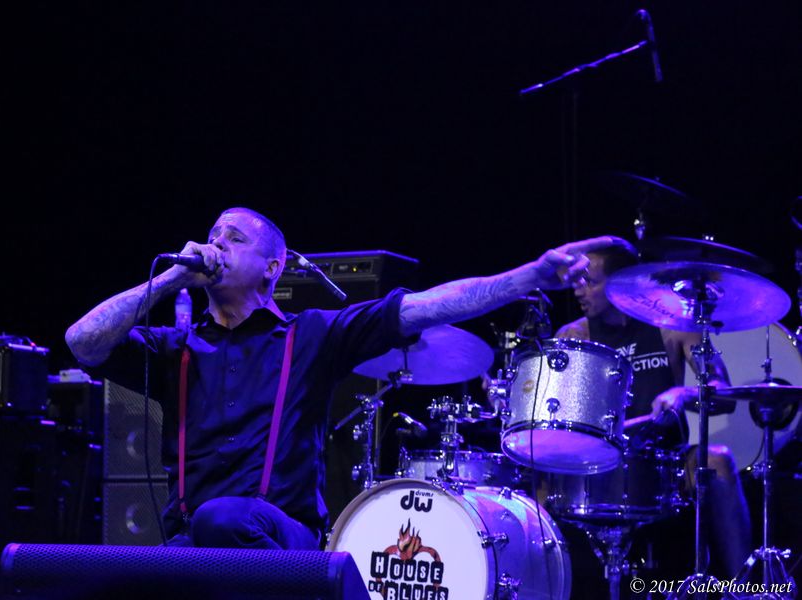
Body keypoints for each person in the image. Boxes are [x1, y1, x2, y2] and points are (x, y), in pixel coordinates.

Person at [65, 206, 624, 550]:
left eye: (234, 238)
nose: (216, 244)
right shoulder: (176, 350)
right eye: (213, 234)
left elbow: (430, 305)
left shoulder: (312, 335)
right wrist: (169, 279)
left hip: (282, 539)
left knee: (224, 517)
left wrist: (530, 274)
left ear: (273, 267)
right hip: (194, 540)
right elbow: (81, 342)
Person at [555, 243, 752, 577]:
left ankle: (747, 588)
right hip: (599, 464)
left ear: (620, 283)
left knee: (718, 460)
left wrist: (684, 393)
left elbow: (724, 394)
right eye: (578, 281)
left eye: (590, 281)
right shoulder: (575, 335)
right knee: (542, 471)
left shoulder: (672, 324)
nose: (578, 290)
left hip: (667, 463)